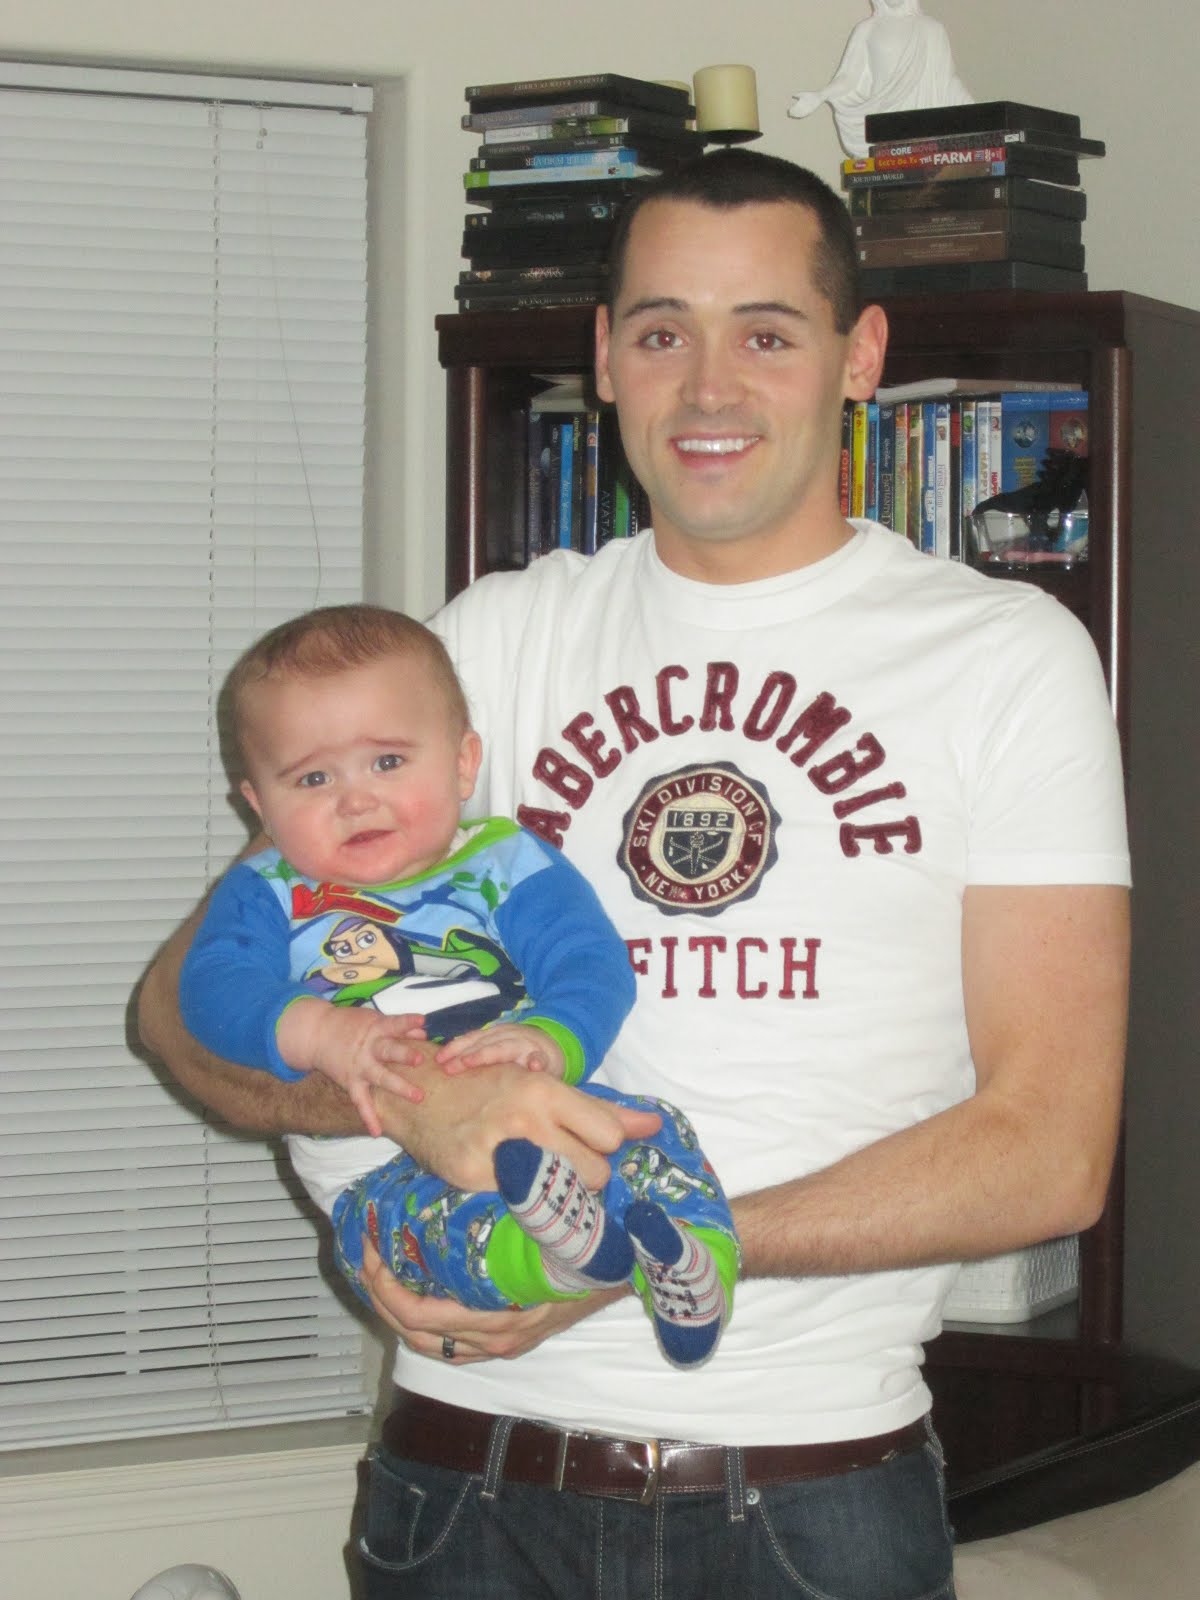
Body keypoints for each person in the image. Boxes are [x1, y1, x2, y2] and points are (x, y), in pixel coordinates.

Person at [138, 149, 1130, 1600]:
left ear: (860, 355)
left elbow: (1050, 1152)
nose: (709, 387)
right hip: (460, 1485)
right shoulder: (485, 643)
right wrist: (407, 1100)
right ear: (605, 359)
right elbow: (180, 1016)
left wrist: (649, 1255)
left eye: (766, 333)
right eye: (664, 332)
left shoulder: (1005, 662)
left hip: (803, 1499)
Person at [177, 603, 738, 1367]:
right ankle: (549, 1259)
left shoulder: (504, 860)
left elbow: (590, 960)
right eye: (312, 777)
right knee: (410, 1237)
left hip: (548, 1109)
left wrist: (551, 1039)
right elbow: (211, 989)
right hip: (376, 1164)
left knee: (653, 1132)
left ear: (463, 762)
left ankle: (695, 1266)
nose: (355, 798)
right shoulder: (270, 890)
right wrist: (319, 1031)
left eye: (387, 762)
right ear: (260, 807)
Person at [788, 0, 972, 157]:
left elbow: (946, 80)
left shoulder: (931, 29)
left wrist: (976, 114)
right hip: (883, 122)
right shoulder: (867, 29)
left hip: (922, 125)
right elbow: (849, 78)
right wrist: (820, 96)